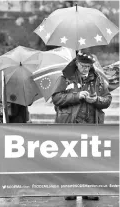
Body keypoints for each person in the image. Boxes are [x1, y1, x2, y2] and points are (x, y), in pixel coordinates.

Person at [52, 51, 112, 201]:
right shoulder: (65, 78)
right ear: (76, 63)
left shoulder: (98, 79)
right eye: (83, 65)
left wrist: (96, 99)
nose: (86, 68)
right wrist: (76, 96)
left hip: (92, 124)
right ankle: (70, 189)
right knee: (70, 158)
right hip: (71, 124)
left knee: (90, 159)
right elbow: (56, 98)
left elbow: (107, 100)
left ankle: (89, 190)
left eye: (88, 66)